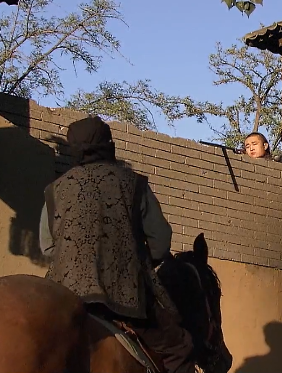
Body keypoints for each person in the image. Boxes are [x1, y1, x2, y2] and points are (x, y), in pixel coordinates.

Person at [38, 116, 194, 373]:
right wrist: (139, 263)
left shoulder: (55, 190)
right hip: (125, 295)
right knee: (180, 347)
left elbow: (47, 247)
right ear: (108, 144)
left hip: (64, 295)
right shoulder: (134, 183)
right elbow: (160, 242)